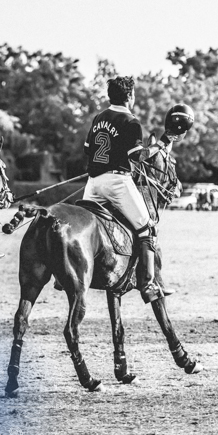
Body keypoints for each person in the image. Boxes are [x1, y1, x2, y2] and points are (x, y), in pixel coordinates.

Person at [82, 76, 166, 303]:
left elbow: (88, 150)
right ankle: (149, 285)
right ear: (129, 96)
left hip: (93, 183)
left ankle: (63, 276)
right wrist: (160, 144)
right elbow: (137, 156)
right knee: (146, 226)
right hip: (117, 183)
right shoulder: (131, 122)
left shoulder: (98, 118)